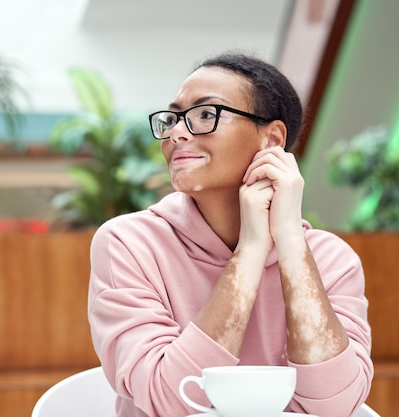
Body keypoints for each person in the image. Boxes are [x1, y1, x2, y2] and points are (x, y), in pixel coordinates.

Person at [88, 51, 373, 417]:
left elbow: (335, 407)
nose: (176, 133)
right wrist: (250, 252)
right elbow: (167, 401)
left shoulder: (332, 260)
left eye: (206, 114)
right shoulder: (128, 243)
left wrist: (287, 239)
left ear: (272, 139)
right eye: (173, 118)